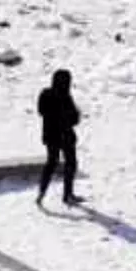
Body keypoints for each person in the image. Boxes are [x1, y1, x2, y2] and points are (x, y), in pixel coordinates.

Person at [36, 69, 84, 207]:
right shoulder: (66, 96)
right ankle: (67, 195)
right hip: (65, 136)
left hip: (50, 136)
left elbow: (41, 111)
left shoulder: (45, 94)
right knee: (71, 164)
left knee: (51, 163)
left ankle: (41, 193)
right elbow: (74, 119)